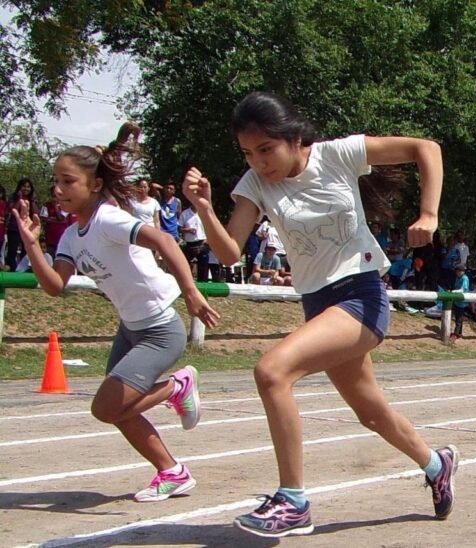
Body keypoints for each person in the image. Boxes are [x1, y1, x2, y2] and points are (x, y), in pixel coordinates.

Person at [181, 91, 457, 538]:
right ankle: (436, 464)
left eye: (266, 149)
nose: (259, 162)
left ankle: (292, 501)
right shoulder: (255, 183)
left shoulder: (337, 154)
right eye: (248, 153)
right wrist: (205, 209)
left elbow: (426, 148)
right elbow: (229, 252)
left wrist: (429, 214)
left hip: (360, 296)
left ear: (294, 138)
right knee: (371, 412)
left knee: (272, 371)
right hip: (318, 304)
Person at [10, 133, 219, 503]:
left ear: (95, 185)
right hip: (131, 329)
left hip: (160, 329)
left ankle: (177, 386)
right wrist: (31, 244)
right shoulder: (71, 236)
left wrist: (190, 291)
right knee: (116, 410)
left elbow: (165, 241)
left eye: (68, 181)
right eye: (55, 181)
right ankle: (172, 472)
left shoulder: (108, 220)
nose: (58, 189)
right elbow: (55, 286)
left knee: (105, 407)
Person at [5, 177, 38, 270]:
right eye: (24, 186)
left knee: (26, 250)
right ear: (19, 187)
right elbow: (13, 211)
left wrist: (32, 201)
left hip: (28, 229)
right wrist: (19, 199)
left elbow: (36, 213)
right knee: (12, 250)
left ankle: (23, 270)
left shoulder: (32, 199)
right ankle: (11, 269)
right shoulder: (13, 197)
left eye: (28, 187)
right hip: (14, 228)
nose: (26, 189)